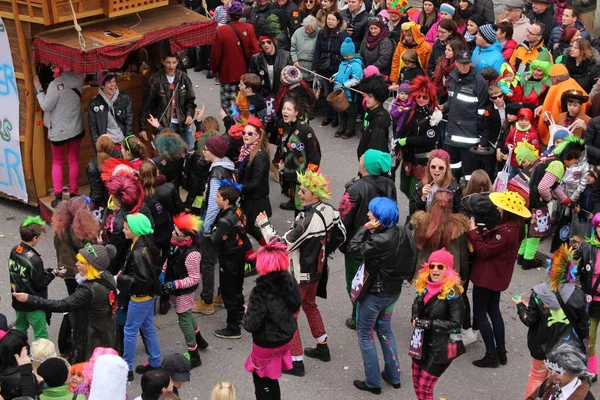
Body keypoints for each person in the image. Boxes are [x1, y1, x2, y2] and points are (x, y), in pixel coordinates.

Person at [257, 170, 346, 377]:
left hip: (300, 276)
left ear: (315, 195)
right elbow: (341, 234)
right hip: (317, 271)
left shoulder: (307, 220)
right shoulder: (328, 210)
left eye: (304, 191)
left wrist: (264, 225)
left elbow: (281, 245)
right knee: (310, 305)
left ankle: (296, 362)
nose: (299, 194)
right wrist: (323, 251)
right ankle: (322, 346)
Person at [347, 197, 413, 394]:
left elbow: (353, 249)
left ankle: (373, 381)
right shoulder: (404, 232)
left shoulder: (378, 240)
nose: (368, 215)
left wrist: (365, 228)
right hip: (393, 293)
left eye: (371, 213)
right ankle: (394, 375)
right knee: (385, 330)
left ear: (378, 218)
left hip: (374, 295)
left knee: (365, 335)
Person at [13, 243, 119, 363]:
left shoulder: (88, 290)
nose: (77, 264)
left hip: (91, 337)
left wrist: (30, 299)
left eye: (82, 262)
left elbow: (62, 305)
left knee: (87, 369)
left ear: (92, 267)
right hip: (106, 330)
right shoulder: (106, 276)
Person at [515, 244, 589, 397]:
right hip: (567, 350)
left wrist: (521, 306)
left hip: (541, 348)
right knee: (563, 385)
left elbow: (529, 320)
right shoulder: (577, 294)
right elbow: (583, 327)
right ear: (570, 271)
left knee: (536, 377)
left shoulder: (537, 292)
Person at [468, 191, 530, 368]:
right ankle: (501, 352)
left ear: (508, 210)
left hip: (487, 277)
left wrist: (472, 232)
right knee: (494, 311)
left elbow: (484, 251)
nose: (497, 208)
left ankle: (491, 355)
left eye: (500, 206)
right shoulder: (516, 228)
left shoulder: (506, 231)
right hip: (498, 277)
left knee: (480, 313)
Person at [338, 149, 397, 329]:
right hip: (382, 243)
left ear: (366, 165)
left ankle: (358, 319)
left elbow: (342, 219)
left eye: (363, 157)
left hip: (357, 245)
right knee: (375, 281)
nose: (360, 159)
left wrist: (338, 242)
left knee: (355, 283)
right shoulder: (389, 184)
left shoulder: (355, 188)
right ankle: (374, 315)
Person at [243, 239, 302, 400]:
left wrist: (247, 312)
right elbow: (295, 304)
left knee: (262, 382)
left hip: (266, 344)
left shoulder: (260, 291)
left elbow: (250, 325)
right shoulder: (289, 280)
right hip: (286, 339)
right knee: (272, 378)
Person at [410, 248, 465, 400]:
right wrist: (414, 316)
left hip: (440, 348)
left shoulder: (454, 295)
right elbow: (417, 304)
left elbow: (455, 324)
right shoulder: (424, 286)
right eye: (432, 266)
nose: (435, 270)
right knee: (416, 384)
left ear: (447, 270)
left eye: (440, 266)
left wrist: (427, 323)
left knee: (425, 387)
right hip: (420, 343)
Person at [192, 136, 235, 315]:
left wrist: (207, 228)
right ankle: (223, 295)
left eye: (207, 149)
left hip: (214, 224)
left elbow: (211, 206)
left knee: (208, 263)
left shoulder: (216, 174)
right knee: (224, 260)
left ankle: (207, 301)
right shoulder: (228, 166)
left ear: (215, 152)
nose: (204, 151)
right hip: (226, 222)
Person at [118, 213, 162, 381]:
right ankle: (155, 361)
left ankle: (126, 367)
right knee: (148, 327)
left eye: (126, 228)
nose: (123, 230)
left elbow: (141, 280)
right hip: (149, 296)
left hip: (140, 298)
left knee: (129, 331)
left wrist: (120, 279)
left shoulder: (137, 252)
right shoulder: (146, 245)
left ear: (135, 231)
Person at [34, 67, 84, 207]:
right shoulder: (80, 78)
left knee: (58, 162)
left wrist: (38, 87)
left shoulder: (54, 85)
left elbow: (45, 106)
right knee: (73, 159)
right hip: (76, 127)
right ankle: (74, 194)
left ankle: (58, 197)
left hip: (58, 131)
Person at [163, 213, 208, 366]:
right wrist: (163, 272)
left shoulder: (192, 255)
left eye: (176, 232)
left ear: (187, 239)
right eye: (174, 230)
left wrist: (176, 284)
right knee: (187, 314)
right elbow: (169, 261)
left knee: (183, 319)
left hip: (183, 291)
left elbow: (195, 278)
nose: (172, 233)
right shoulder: (175, 244)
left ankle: (193, 355)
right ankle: (200, 341)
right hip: (175, 287)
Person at [212, 182, 251, 339]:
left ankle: (233, 328)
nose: (215, 198)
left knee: (229, 292)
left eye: (218, 196)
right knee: (237, 287)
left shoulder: (225, 221)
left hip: (228, 257)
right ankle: (240, 313)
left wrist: (213, 233)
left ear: (226, 201)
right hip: (239, 253)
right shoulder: (239, 210)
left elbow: (215, 240)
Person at [443, 49, 488, 182]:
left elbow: (482, 110)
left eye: (467, 63)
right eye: (462, 63)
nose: (465, 66)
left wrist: (481, 137)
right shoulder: (453, 78)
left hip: (469, 137)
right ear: (456, 63)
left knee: (469, 174)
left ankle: (469, 198)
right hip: (452, 135)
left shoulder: (478, 81)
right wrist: (443, 108)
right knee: (453, 169)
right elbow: (452, 101)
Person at [211, 1, 261, 117]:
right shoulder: (249, 28)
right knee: (243, 107)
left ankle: (231, 129)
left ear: (228, 14)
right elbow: (256, 50)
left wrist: (214, 70)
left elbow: (216, 55)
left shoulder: (222, 31)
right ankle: (242, 129)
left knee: (228, 108)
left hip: (227, 75)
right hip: (244, 76)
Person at [9, 216, 56, 340]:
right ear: (34, 238)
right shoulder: (35, 260)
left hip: (18, 300)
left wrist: (44, 271)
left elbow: (24, 273)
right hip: (33, 303)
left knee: (20, 330)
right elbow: (40, 284)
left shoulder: (15, 250)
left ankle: (17, 352)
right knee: (41, 336)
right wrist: (53, 274)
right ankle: (40, 358)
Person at [139, 54, 196, 149]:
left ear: (178, 62)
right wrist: (142, 128)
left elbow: (190, 101)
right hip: (165, 124)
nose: (171, 66)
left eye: (174, 62)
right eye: (168, 62)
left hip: (183, 122)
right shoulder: (155, 79)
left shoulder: (184, 78)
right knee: (170, 153)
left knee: (190, 148)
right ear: (163, 62)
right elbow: (146, 104)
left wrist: (190, 114)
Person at [277, 98, 321, 212]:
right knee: (291, 189)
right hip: (288, 169)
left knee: (301, 203)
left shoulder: (305, 129)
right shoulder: (282, 124)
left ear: (296, 113)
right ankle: (293, 201)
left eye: (289, 109)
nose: (285, 111)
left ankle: (300, 222)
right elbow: (280, 142)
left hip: (302, 173)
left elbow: (315, 154)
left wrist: (309, 175)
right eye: (284, 108)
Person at [238, 117, 271, 249]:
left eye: (250, 133)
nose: (245, 136)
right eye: (244, 133)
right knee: (247, 227)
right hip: (249, 199)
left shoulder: (260, 156)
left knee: (253, 228)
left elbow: (256, 183)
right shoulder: (246, 150)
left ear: (257, 136)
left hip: (257, 201)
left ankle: (271, 249)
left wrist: (238, 188)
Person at [537, 63, 589, 146]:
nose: (571, 108)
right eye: (570, 105)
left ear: (555, 79)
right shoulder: (572, 82)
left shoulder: (585, 120)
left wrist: (586, 128)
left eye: (575, 105)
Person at [314, 11, 349, 127]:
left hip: (336, 68)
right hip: (324, 67)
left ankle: (335, 117)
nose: (330, 21)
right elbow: (317, 49)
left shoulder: (342, 35)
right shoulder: (321, 33)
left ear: (338, 21)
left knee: (335, 93)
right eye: (328, 19)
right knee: (326, 93)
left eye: (332, 19)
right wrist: (316, 66)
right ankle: (327, 116)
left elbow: (345, 52)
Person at [526, 342, 595, 400]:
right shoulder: (551, 382)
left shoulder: (584, 397)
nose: (552, 374)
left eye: (558, 371)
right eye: (551, 368)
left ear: (573, 371)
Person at [88, 70, 133, 153]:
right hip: (108, 146)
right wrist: (98, 151)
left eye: (114, 81)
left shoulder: (125, 98)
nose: (113, 85)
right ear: (101, 85)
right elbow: (93, 130)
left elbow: (129, 121)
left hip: (124, 142)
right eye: (109, 82)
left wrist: (128, 142)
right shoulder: (94, 104)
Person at [332, 37, 364, 139]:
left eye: (347, 55)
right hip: (340, 92)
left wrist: (346, 84)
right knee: (340, 110)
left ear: (352, 53)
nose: (345, 57)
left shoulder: (356, 65)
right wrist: (334, 77)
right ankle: (342, 128)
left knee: (350, 112)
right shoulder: (343, 63)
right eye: (343, 55)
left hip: (350, 93)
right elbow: (340, 73)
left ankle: (350, 129)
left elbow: (357, 79)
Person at [250, 25, 293, 100]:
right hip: (263, 96)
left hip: (281, 95)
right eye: (262, 43)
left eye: (268, 42)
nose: (265, 45)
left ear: (273, 42)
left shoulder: (286, 56)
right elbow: (253, 79)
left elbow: (290, 78)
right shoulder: (255, 58)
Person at [357, 75, 393, 160]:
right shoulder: (374, 113)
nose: (366, 99)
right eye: (366, 95)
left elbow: (376, 150)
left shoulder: (380, 120)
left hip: (372, 167)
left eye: (370, 97)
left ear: (378, 98)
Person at [390, 21, 432, 85]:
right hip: (402, 79)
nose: (406, 38)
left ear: (415, 34)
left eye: (409, 36)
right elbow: (395, 63)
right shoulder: (400, 45)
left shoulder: (426, 47)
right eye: (405, 35)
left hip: (418, 81)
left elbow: (427, 67)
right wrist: (394, 81)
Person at [87, 134, 115, 211]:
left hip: (102, 205)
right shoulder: (119, 158)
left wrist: (90, 207)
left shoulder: (92, 166)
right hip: (115, 201)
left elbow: (97, 193)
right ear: (112, 147)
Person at [291, 16, 320, 84]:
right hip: (299, 66)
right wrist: (295, 60)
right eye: (306, 28)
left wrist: (317, 67)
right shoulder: (297, 33)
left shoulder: (320, 33)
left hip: (313, 67)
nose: (307, 31)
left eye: (310, 29)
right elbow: (293, 49)